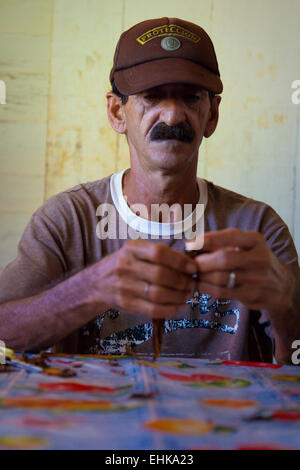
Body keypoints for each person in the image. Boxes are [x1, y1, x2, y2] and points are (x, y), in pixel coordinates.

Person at [0, 17, 299, 363]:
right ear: (117, 112)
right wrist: (91, 288)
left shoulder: (257, 228)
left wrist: (285, 299)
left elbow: (294, 361)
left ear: (212, 115)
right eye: (152, 97)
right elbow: (5, 331)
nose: (172, 116)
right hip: (97, 415)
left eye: (190, 98)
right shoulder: (68, 220)